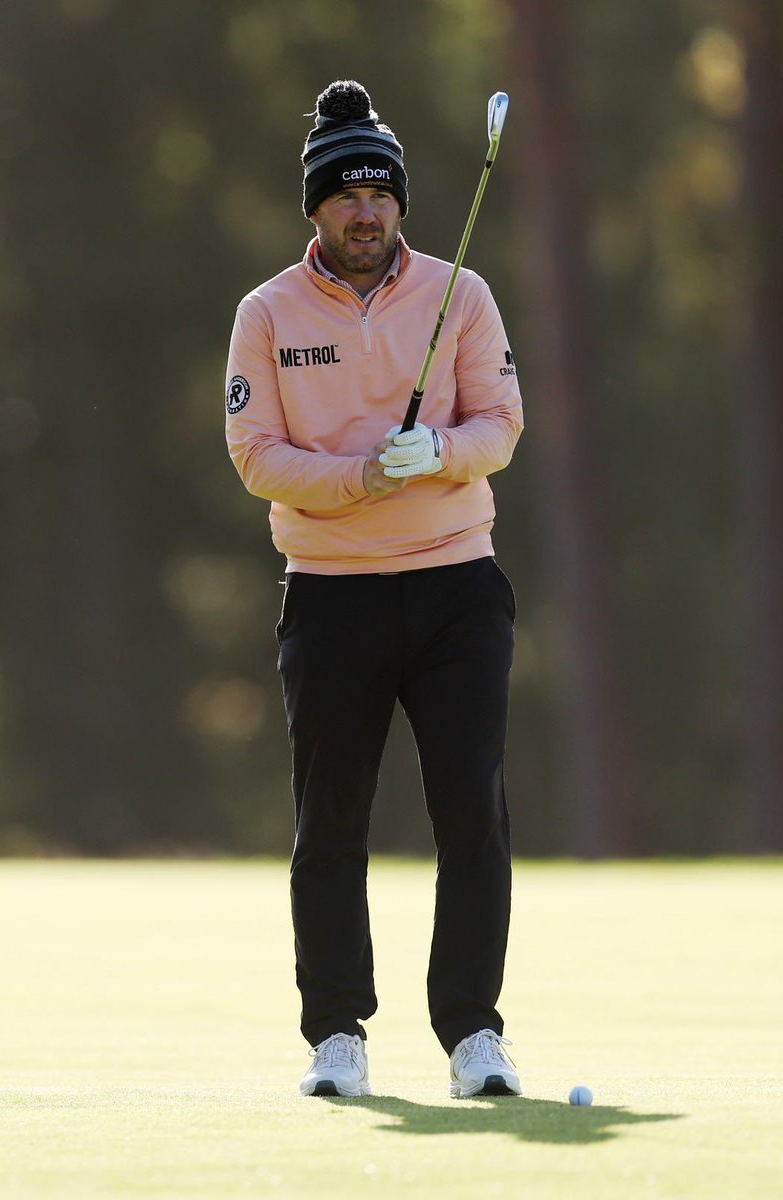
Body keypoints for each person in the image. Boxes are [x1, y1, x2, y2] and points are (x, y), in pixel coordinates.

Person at [225, 80, 523, 1099]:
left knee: (468, 813)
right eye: (345, 196)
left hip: (454, 588)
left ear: (399, 203)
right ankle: (335, 1035)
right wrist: (357, 476)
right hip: (331, 592)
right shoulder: (266, 313)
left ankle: (472, 1033)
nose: (365, 212)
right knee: (331, 819)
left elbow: (500, 427)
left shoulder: (460, 294)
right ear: (315, 208)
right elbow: (255, 455)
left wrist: (435, 451)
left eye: (380, 195)